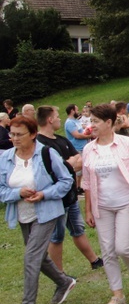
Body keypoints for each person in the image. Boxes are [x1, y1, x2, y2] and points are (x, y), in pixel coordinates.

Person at [0, 116, 77, 304]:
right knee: (39, 257)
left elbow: (66, 180)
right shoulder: (5, 158)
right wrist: (18, 193)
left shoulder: (47, 153)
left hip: (47, 212)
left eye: (19, 134)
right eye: (11, 134)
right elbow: (2, 190)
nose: (14, 138)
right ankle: (64, 282)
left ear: (32, 134)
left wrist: (44, 194)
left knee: (31, 258)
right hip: (23, 215)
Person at [82, 103, 129, 304]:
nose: (91, 125)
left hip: (126, 202)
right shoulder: (88, 149)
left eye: (95, 121)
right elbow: (86, 183)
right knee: (108, 251)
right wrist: (88, 210)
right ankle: (118, 295)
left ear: (108, 123)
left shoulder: (126, 144)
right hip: (101, 205)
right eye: (90, 121)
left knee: (122, 247)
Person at [36, 106, 103, 272]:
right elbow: (49, 170)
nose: (59, 119)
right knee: (57, 236)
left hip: (70, 196)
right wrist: (68, 164)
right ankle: (60, 275)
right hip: (55, 198)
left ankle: (94, 260)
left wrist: (66, 165)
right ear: (50, 119)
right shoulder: (40, 144)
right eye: (57, 116)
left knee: (77, 229)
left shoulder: (61, 140)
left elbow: (80, 159)